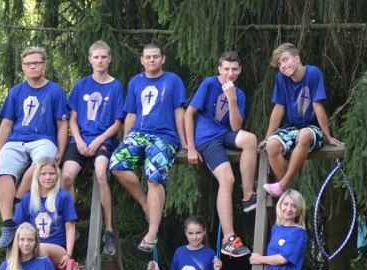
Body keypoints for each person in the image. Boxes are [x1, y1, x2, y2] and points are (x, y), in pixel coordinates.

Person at [109, 43, 187, 253]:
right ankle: (145, 204)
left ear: (163, 59)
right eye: (148, 57)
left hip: (164, 137)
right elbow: (131, 113)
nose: (152, 60)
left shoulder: (173, 80)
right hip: (138, 135)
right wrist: (126, 139)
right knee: (116, 164)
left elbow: (179, 111)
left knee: (154, 177)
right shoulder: (136, 81)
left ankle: (152, 232)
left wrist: (184, 142)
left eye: (155, 56)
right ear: (142, 60)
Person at [0, 46, 69, 248]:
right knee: (2, 168)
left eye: (36, 63)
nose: (32, 67)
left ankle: (18, 201)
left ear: (44, 65)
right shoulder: (16, 92)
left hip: (43, 139)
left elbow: (62, 124)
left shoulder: (55, 91)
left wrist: (61, 151)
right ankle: (8, 223)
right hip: (16, 140)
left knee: (42, 162)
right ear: (23, 67)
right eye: (28, 64)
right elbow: (6, 123)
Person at [184, 51, 258, 258]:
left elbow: (235, 126)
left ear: (240, 70)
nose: (230, 73)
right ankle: (229, 239)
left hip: (224, 133)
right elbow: (189, 113)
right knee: (227, 180)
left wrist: (232, 99)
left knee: (250, 139)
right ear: (219, 69)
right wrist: (190, 147)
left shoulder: (239, 94)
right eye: (226, 69)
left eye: (234, 69)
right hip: (206, 137)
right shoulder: (209, 84)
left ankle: (248, 195)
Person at [62, 40, 125, 256]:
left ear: (110, 59)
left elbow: (117, 123)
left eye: (103, 57)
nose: (100, 61)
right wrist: (79, 140)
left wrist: (98, 141)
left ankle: (108, 230)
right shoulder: (81, 85)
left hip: (103, 140)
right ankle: (71, 224)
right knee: (66, 177)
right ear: (90, 59)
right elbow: (72, 118)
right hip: (81, 139)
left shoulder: (115, 87)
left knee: (100, 173)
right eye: (96, 57)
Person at [258, 43, 341, 198]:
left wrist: (328, 136)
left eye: (285, 60)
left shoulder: (313, 73)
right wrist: (267, 137)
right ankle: (288, 193)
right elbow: (279, 108)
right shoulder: (281, 78)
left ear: (297, 58)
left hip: (312, 128)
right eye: (279, 64)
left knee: (304, 134)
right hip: (292, 127)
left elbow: (317, 105)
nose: (283, 66)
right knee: (272, 145)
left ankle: (283, 185)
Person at [13, 157, 77, 269]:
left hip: (58, 250)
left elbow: (70, 227)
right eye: (43, 174)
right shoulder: (28, 199)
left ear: (57, 175)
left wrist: (68, 254)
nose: (47, 177)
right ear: (37, 176)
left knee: (41, 248)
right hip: (32, 248)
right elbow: (21, 228)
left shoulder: (63, 196)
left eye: (52, 173)